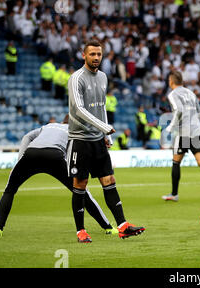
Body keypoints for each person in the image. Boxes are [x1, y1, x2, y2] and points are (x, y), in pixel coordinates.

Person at [67, 39, 145, 243]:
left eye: (99, 54)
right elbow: (79, 109)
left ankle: (122, 226)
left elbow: (101, 107)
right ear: (84, 55)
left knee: (109, 180)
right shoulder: (76, 78)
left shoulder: (102, 77)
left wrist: (106, 135)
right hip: (80, 140)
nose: (96, 58)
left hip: (97, 140)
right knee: (80, 184)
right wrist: (103, 127)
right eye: (92, 54)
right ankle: (80, 231)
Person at [0, 115, 117, 239]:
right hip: (54, 156)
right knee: (81, 192)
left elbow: (27, 136)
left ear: (63, 121)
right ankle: (107, 227)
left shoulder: (48, 126)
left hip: (31, 154)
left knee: (10, 190)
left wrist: (19, 162)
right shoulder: (75, 131)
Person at [161, 71, 200, 202]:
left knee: (176, 161)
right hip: (196, 130)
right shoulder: (191, 93)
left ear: (171, 81)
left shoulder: (172, 94)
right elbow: (199, 112)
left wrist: (170, 127)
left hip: (184, 132)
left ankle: (174, 194)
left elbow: (179, 110)